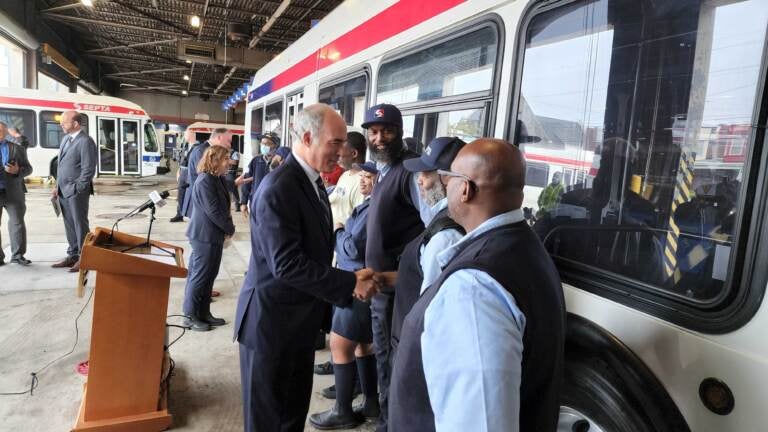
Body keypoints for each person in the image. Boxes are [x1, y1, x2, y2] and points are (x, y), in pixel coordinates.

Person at [389, 138, 566, 432]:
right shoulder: (525, 247)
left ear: (466, 189)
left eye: (450, 180)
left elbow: (480, 420)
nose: (445, 187)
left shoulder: (473, 288)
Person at [233, 104, 379, 432]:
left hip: (297, 324)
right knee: (269, 422)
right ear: (309, 137)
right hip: (271, 326)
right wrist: (349, 283)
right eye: (335, 143)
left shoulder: (310, 181)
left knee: (291, 417)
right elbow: (287, 264)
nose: (343, 153)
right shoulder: (279, 187)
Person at [361, 103, 427, 432]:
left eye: (387, 130)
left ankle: (389, 424)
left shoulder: (410, 172)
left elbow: (437, 225)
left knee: (391, 359)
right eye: (373, 132)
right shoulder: (383, 173)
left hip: (396, 291)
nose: (380, 137)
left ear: (399, 132)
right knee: (383, 355)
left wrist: (406, 272)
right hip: (379, 289)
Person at [309, 162, 380, 430]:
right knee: (362, 345)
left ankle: (343, 410)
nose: (363, 181)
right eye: (361, 176)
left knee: (340, 345)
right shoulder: (371, 204)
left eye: (369, 177)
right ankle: (371, 403)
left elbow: (351, 248)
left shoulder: (374, 208)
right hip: (361, 279)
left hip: (358, 281)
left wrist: (339, 230)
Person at [388, 137, 467, 354]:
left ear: (446, 179)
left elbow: (429, 311)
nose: (419, 181)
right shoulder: (442, 221)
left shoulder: (445, 237)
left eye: (425, 173)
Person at [182, 145, 236, 331]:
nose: (228, 162)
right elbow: (214, 211)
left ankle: (204, 313)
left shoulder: (216, 178)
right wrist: (230, 228)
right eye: (225, 158)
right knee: (199, 277)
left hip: (214, 236)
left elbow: (223, 205)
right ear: (213, 160)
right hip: (204, 236)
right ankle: (190, 316)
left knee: (209, 276)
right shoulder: (205, 180)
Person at [51, 111, 97, 273]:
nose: (61, 124)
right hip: (63, 190)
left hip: (76, 192)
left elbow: (88, 169)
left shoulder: (86, 142)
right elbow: (60, 166)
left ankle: (84, 257)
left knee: (80, 225)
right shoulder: (65, 139)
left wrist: (79, 188)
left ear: (76, 124)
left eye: (64, 122)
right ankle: (73, 255)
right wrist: (57, 186)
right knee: (69, 224)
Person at [0, 122, 33, 266]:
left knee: (17, 223)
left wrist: (17, 171)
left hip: (14, 192)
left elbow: (29, 168)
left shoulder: (17, 148)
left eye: (1, 130)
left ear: (7, 131)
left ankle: (18, 256)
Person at [328, 131, 366, 226]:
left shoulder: (363, 182)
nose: (337, 158)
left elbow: (358, 222)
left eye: (340, 155)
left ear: (354, 154)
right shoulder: (345, 175)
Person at [237, 132, 279, 215]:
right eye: (262, 143)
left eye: (267, 144)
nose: (264, 146)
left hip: (273, 203)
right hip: (256, 201)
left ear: (274, 146)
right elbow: (247, 181)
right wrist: (244, 202)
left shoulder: (279, 161)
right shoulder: (256, 160)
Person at [170, 129, 196, 223]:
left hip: (191, 172)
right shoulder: (185, 145)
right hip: (183, 172)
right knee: (180, 194)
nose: (184, 135)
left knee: (191, 195)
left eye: (186, 133)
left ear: (192, 134)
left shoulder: (197, 147)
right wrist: (178, 170)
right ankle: (179, 214)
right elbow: (182, 159)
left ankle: (193, 216)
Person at [226, 145, 241, 212]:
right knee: (231, 190)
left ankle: (236, 206)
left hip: (231, 174)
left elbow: (235, 162)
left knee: (232, 190)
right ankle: (236, 206)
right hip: (226, 173)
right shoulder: (226, 153)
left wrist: (226, 160)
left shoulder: (235, 153)